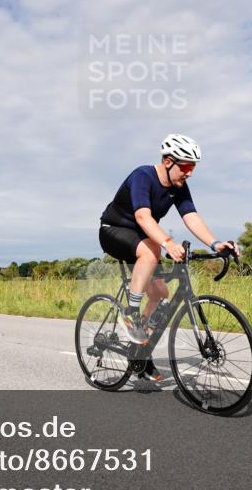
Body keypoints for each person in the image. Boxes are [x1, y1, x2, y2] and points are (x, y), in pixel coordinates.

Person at [99, 134, 240, 382]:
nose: (189, 173)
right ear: (167, 161)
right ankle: (131, 313)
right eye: (186, 166)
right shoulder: (143, 176)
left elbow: (191, 216)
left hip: (143, 237)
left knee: (160, 294)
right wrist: (167, 243)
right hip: (113, 230)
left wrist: (216, 243)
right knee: (151, 251)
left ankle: (140, 353)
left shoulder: (179, 187)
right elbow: (143, 217)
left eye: (193, 168)